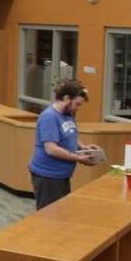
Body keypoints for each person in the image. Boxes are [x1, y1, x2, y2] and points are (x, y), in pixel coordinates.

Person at [28, 79, 98, 210]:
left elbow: (70, 134)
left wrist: (83, 147)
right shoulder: (49, 117)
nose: (77, 108)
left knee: (61, 214)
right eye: (76, 104)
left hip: (62, 175)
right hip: (48, 176)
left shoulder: (68, 114)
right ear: (66, 98)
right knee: (49, 218)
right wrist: (78, 158)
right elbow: (51, 149)